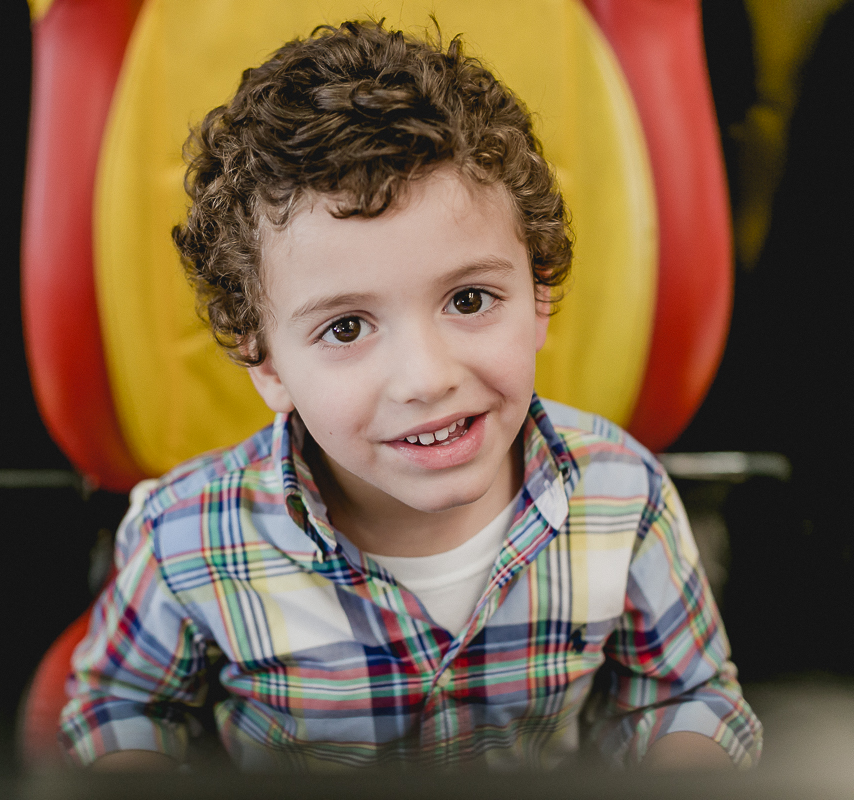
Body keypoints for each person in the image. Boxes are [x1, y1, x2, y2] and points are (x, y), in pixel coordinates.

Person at [57, 20, 762, 771]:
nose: (427, 378)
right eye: (348, 326)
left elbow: (686, 698)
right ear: (265, 362)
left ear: (540, 296)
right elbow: (122, 710)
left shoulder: (625, 496)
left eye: (469, 301)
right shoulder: (185, 538)